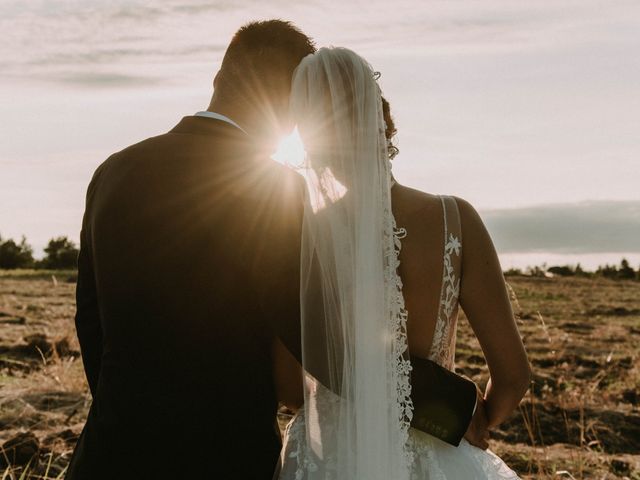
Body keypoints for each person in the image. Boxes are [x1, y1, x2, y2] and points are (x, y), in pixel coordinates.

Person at [67, 20, 486, 480]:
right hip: (225, 457)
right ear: (289, 102)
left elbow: (91, 321)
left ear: (218, 79)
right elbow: (327, 347)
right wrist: (454, 406)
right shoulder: (274, 189)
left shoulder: (114, 172)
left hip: (110, 452)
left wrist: (126, 414)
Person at [275, 47, 531, 479]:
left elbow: (288, 386)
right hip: (435, 450)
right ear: (384, 121)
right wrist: (462, 420)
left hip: (330, 458)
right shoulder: (456, 220)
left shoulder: (304, 240)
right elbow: (513, 375)